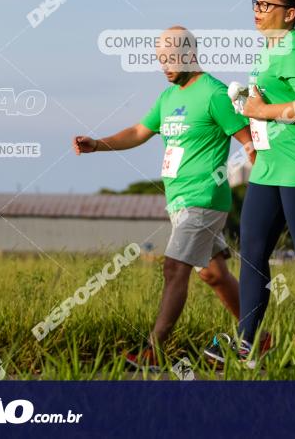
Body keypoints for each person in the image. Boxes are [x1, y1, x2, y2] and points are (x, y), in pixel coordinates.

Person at [73, 26, 253, 370]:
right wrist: (99, 144)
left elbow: (248, 143)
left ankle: (154, 351)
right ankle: (258, 336)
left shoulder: (214, 93)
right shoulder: (168, 97)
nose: (165, 66)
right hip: (179, 201)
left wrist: (263, 188)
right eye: (160, 60)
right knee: (213, 274)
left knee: (173, 269)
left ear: (190, 54)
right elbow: (139, 132)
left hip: (203, 200)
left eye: (170, 59)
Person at [206, 0, 295, 366]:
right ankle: (246, 346)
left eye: (267, 5)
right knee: (251, 253)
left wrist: (260, 111)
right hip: (269, 165)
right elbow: (269, 102)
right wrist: (248, 105)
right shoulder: (268, 48)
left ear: (290, 14)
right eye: (257, 2)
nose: (258, 10)